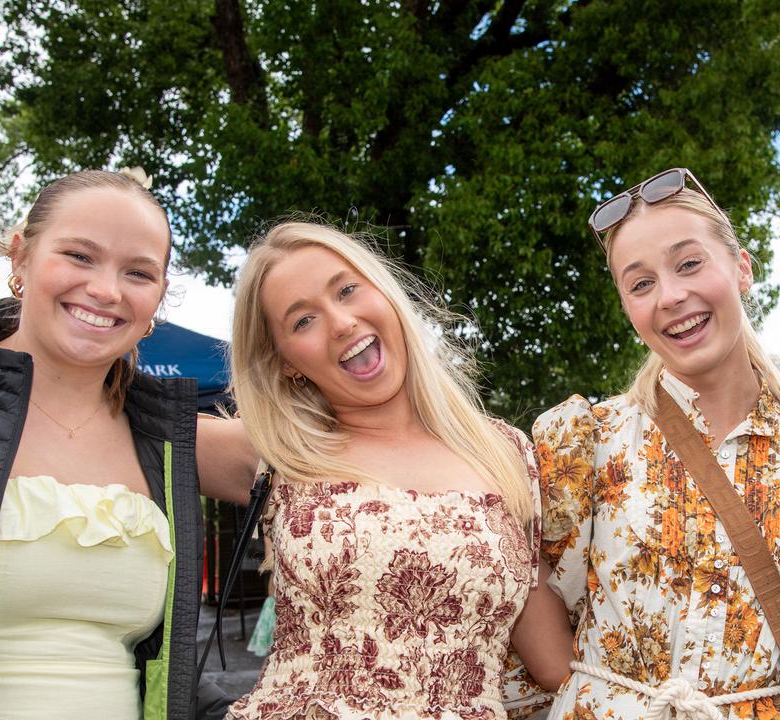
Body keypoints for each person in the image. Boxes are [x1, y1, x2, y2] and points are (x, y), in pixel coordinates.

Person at [190, 221, 573, 719]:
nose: (342, 322)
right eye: (302, 321)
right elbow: (97, 414)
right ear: (285, 362)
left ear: (385, 292)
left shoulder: (503, 452)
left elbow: (554, 664)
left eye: (347, 290)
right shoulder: (276, 448)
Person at [533, 168, 780, 719]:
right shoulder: (583, 443)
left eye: (689, 263)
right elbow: (537, 604)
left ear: (742, 268)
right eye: (640, 283)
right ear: (627, 306)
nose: (670, 295)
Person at [0, 169, 215, 719]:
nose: (106, 290)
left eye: (138, 272)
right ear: (21, 257)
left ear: (158, 295)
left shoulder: (170, 439)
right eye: (80, 256)